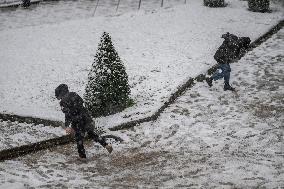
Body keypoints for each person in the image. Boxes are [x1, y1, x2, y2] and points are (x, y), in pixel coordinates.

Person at [55, 84, 113, 160]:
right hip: (86, 117)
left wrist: (67, 125)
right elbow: (81, 104)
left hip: (77, 121)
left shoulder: (63, 102)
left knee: (79, 139)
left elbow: (68, 114)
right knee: (91, 133)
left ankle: (82, 157)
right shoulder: (74, 94)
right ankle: (106, 145)